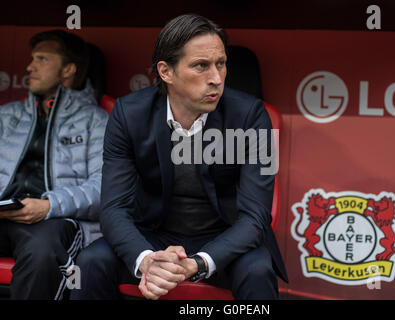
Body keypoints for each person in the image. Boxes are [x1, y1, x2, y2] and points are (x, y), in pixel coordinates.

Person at [71, 14, 288, 300]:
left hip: (226, 236)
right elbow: (113, 208)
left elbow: (255, 215)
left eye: (221, 64)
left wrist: (196, 263)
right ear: (166, 72)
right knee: (91, 262)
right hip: (152, 233)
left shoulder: (252, 115)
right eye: (201, 66)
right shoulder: (129, 114)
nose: (216, 78)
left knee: (258, 271)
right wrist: (147, 259)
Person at [0, 30, 108, 299]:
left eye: (42, 59)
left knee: (41, 252)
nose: (29, 67)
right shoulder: (7, 115)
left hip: (55, 219)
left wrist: (48, 205)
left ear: (68, 69)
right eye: (31, 58)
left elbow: (104, 189)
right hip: (4, 212)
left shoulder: (97, 121)